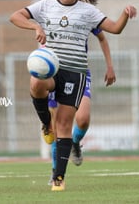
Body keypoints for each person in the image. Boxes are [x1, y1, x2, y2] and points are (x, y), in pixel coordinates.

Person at [9, 0, 137, 191]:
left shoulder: (87, 12)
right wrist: (34, 25)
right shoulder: (45, 6)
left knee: (67, 125)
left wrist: (125, 14)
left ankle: (58, 178)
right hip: (51, 70)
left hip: (75, 73)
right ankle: (45, 124)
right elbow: (14, 16)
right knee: (36, 82)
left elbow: (115, 29)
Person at [49, 28, 116, 181]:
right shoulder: (49, 12)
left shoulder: (85, 13)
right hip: (55, 73)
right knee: (56, 126)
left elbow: (103, 37)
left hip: (79, 72)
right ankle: (56, 171)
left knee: (83, 118)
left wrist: (110, 66)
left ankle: (74, 142)